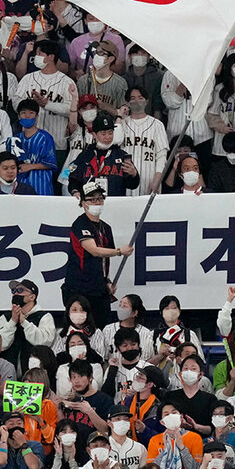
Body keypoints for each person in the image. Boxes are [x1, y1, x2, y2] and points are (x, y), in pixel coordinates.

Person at [62, 182, 134, 327]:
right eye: (92, 199)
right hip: (79, 288)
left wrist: (107, 281)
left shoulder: (106, 227)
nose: (97, 202)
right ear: (83, 203)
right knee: (80, 328)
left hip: (99, 289)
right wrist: (120, 251)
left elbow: (105, 259)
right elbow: (94, 250)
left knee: (101, 328)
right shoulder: (80, 224)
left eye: (100, 198)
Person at [13, 40, 77, 164]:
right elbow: (16, 102)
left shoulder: (67, 82)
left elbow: (72, 110)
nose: (36, 57)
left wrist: (47, 104)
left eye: (39, 53)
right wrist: (30, 104)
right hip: (27, 143)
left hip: (56, 143)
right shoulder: (27, 78)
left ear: (51, 57)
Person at [68, 112, 140, 197]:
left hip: (115, 204)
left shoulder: (122, 155)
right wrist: (75, 192)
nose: (108, 137)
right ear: (94, 135)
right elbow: (73, 181)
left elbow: (132, 185)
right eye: (103, 134)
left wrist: (134, 174)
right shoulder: (84, 156)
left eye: (110, 133)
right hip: (91, 204)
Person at [121, 86, 169, 195]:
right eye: (132, 98)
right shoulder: (121, 124)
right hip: (125, 179)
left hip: (150, 178)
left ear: (146, 101)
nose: (136, 101)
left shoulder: (157, 125)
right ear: (127, 103)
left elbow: (161, 156)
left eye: (140, 97)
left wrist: (157, 179)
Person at [10, 98, 58, 197]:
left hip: (42, 187)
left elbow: (51, 163)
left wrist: (30, 166)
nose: (27, 116)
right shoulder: (15, 139)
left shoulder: (45, 137)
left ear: (36, 116)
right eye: (23, 113)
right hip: (20, 187)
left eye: (31, 113)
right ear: (19, 116)